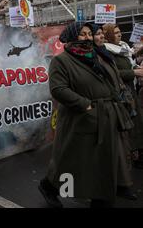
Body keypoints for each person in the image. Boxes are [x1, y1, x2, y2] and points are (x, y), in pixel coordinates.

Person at [39, 22, 135, 208]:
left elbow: (112, 79)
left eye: (89, 34)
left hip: (106, 116)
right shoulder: (61, 61)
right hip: (81, 118)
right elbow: (58, 89)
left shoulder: (98, 55)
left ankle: (101, 198)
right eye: (82, 34)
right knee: (70, 161)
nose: (88, 38)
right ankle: (49, 186)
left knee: (103, 161)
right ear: (73, 36)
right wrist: (85, 105)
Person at [103, 24, 143, 170]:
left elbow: (128, 66)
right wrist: (135, 73)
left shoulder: (123, 48)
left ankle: (138, 154)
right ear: (108, 36)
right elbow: (114, 73)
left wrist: (135, 68)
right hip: (122, 93)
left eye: (119, 32)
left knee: (138, 122)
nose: (119, 35)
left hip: (131, 90)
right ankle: (131, 156)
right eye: (115, 33)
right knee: (129, 125)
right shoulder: (107, 52)